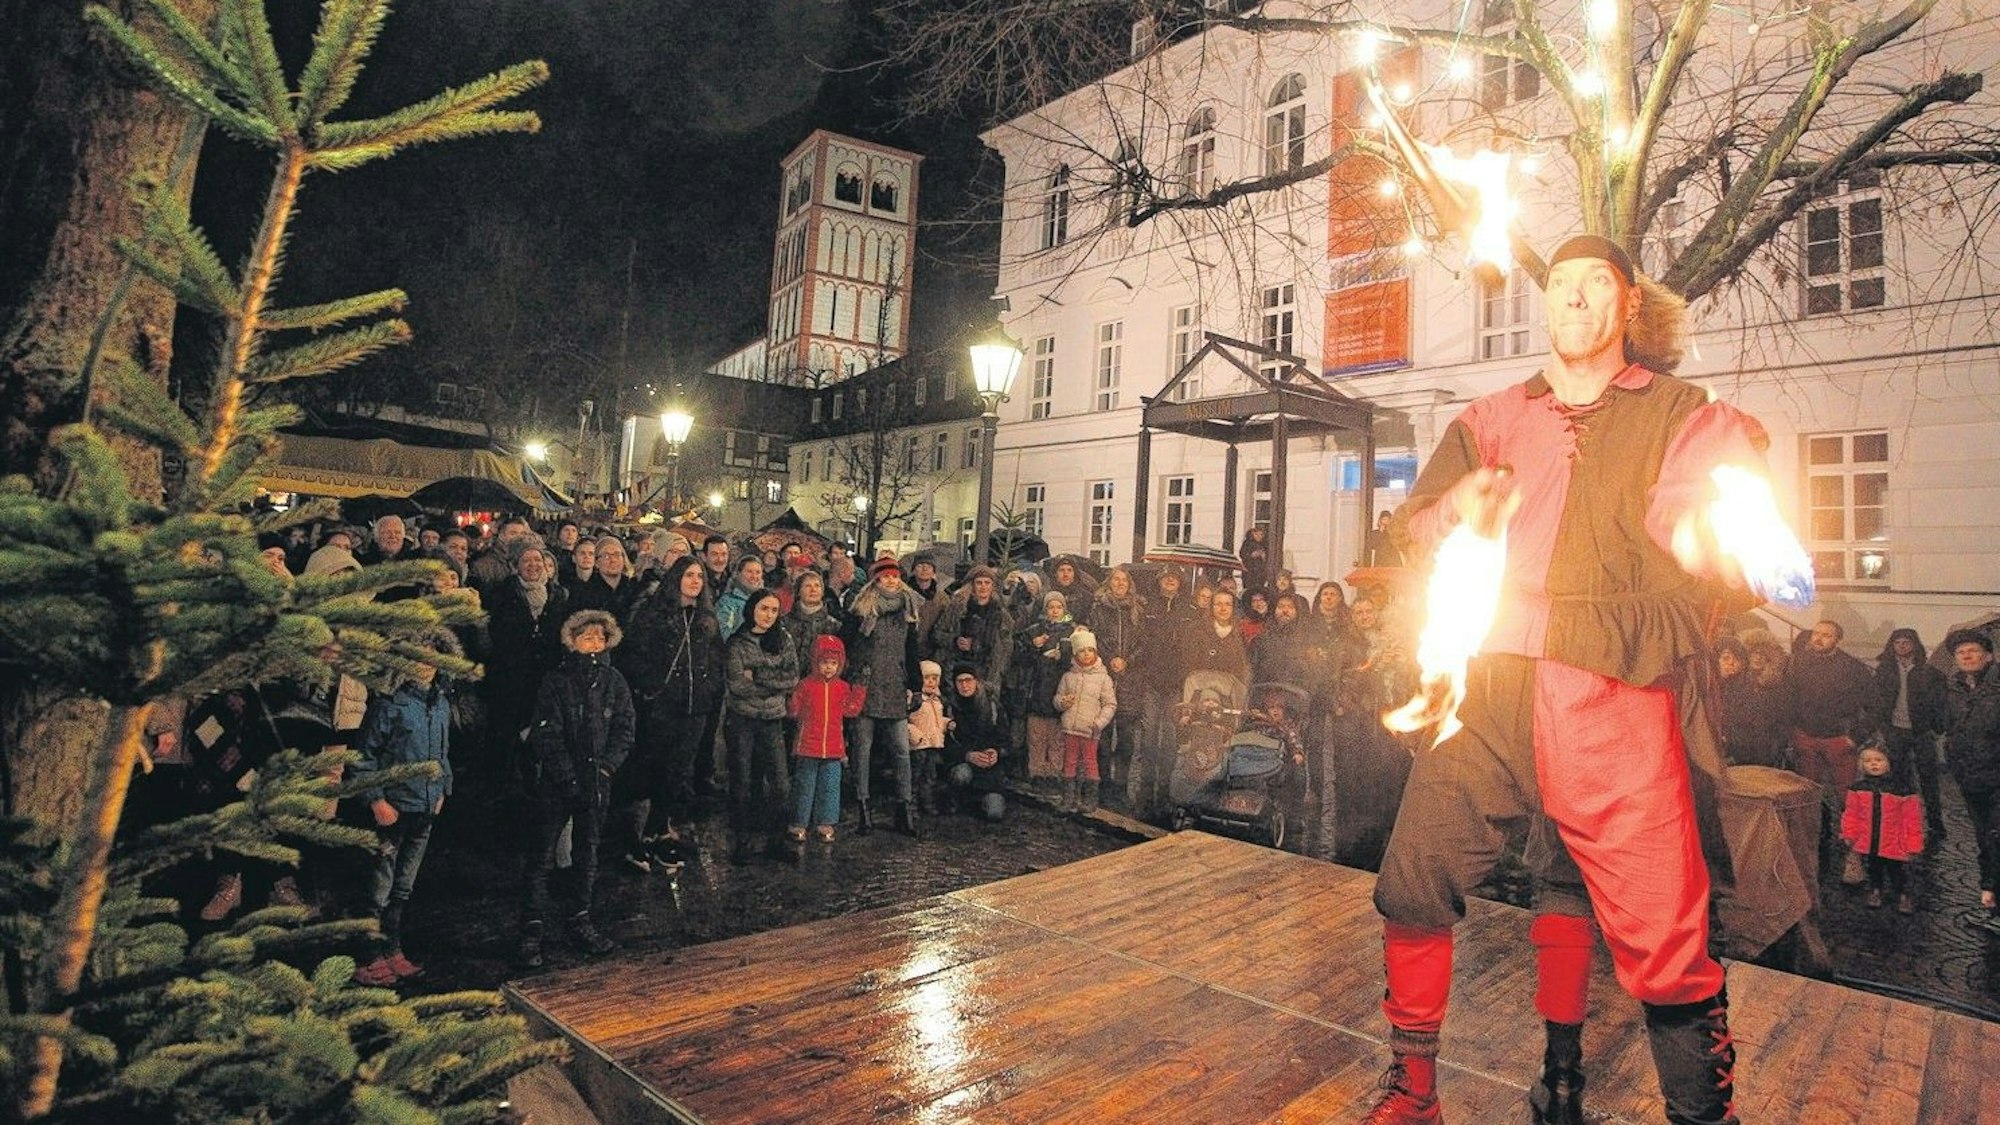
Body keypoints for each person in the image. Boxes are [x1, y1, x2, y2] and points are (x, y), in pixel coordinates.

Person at [1362, 236, 1761, 1125]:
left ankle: (1704, 1115)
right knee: (1415, 874)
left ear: (1629, 305)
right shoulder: (1496, 415)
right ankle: (1413, 1091)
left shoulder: (1679, 412)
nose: (1575, 299)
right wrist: (1456, 511)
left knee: (1666, 932)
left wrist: (1702, 528)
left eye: (1597, 285)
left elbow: (1704, 502)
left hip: (1612, 689)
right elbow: (1419, 523)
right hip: (1491, 683)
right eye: (1563, 285)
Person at [517, 610, 634, 967]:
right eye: (587, 638)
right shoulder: (556, 681)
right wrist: (566, 776)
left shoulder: (614, 681)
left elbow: (625, 728)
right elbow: (546, 732)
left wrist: (608, 768)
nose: (593, 644)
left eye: (599, 638)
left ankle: (580, 919)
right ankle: (531, 931)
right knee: (542, 855)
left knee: (588, 853)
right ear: (572, 641)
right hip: (557, 784)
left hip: (597, 782)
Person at [350, 645, 453, 986]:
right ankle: (367, 956)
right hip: (393, 809)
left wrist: (443, 790)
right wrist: (376, 800)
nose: (424, 665)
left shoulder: (440, 704)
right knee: (378, 886)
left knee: (403, 887)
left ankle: (392, 948)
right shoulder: (389, 705)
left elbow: (443, 753)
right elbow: (364, 757)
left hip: (423, 809)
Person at [615, 556, 725, 873]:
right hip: (662, 706)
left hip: (695, 708)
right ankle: (638, 835)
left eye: (699, 576)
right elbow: (635, 654)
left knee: (677, 771)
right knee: (652, 767)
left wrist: (708, 689)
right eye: (689, 575)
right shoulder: (655, 613)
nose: (695, 581)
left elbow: (716, 659)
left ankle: (659, 830)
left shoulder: (706, 618)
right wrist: (652, 688)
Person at [842, 557, 923, 835]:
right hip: (865, 685)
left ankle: (904, 808)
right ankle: (863, 808)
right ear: (876, 579)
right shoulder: (862, 609)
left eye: (894, 576)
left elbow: (912, 651)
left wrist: (917, 684)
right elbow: (846, 643)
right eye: (885, 576)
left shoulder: (907, 609)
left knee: (901, 749)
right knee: (862, 750)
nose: (891, 580)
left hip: (894, 686)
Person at [723, 589, 799, 863]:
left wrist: (758, 675)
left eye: (773, 610)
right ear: (753, 609)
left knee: (780, 784)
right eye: (763, 608)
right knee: (742, 781)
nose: (768, 615)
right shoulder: (737, 643)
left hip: (772, 719)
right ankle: (742, 841)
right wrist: (771, 682)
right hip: (743, 719)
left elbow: (791, 676)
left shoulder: (783, 639)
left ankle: (777, 839)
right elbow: (738, 685)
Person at [482, 547, 569, 777]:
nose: (533, 565)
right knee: (509, 737)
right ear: (515, 566)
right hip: (511, 678)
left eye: (537, 559)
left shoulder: (559, 595)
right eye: (526, 560)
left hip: (546, 678)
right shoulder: (501, 594)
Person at [1868, 627, 1948, 842]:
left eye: (1906, 642)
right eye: (1898, 642)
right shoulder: (1884, 672)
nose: (1902, 646)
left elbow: (1939, 702)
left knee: (1928, 778)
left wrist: (1938, 727)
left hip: (1921, 731)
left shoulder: (1929, 673)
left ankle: (1935, 821)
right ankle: (1902, 819)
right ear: (1892, 645)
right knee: (1899, 776)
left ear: (1915, 645)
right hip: (1895, 730)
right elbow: (1877, 701)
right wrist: (1881, 727)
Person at [1132, 565, 1198, 819]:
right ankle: (1145, 794)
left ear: (1180, 583)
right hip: (1152, 681)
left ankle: (1165, 794)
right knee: (1148, 739)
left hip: (1175, 685)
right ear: (1159, 582)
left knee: (1170, 740)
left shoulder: (1188, 611)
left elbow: (1191, 649)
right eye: (1165, 578)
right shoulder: (1149, 608)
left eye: (1174, 579)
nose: (1169, 582)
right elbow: (1141, 641)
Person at [1945, 628, 2000, 917]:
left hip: (1996, 778)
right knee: (1984, 838)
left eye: (1973, 651)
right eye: (1960, 652)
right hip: (1970, 778)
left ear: (1988, 656)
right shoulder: (1954, 688)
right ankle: (1990, 897)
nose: (1966, 655)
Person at [789, 635, 866, 842]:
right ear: (816, 662)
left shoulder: (842, 687)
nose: (829, 668)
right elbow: (794, 711)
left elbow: (850, 711)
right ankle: (798, 822)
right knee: (804, 786)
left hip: (833, 746)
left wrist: (859, 691)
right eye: (824, 663)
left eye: (834, 663)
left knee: (831, 786)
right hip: (808, 746)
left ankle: (826, 823)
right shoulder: (805, 685)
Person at [1789, 619, 1874, 801]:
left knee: (1847, 794)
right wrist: (1794, 732)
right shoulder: (1797, 663)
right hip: (1806, 737)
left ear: (1838, 640)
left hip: (1839, 739)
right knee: (1807, 791)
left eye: (1826, 635)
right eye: (1816, 634)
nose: (1819, 639)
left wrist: (1856, 737)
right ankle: (1814, 828)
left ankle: (1850, 828)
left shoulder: (1853, 668)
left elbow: (1874, 705)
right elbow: (1788, 699)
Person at [1840, 742, 1922, 914]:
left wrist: (1913, 842)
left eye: (1878, 760)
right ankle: (1876, 890)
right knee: (1874, 867)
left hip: (1894, 841)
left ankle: (1902, 894)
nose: (1874, 764)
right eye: (1868, 761)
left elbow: (1911, 818)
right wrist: (1850, 833)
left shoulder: (1902, 790)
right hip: (1870, 840)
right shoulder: (1857, 789)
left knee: (1896, 870)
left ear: (1889, 763)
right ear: (1861, 765)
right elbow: (1851, 814)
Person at [1087, 566, 1144, 804]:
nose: (1120, 584)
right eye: (1116, 579)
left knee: (1127, 739)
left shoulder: (1138, 610)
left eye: (1124, 580)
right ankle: (1103, 785)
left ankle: (1120, 786)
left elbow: (1144, 643)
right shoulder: (1098, 609)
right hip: (1105, 679)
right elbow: (1093, 639)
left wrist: (1128, 661)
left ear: (1129, 585)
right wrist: (1110, 659)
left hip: (1130, 681)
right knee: (1102, 735)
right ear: (1109, 583)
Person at [1016, 590, 1078, 784]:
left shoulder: (1071, 631)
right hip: (1036, 688)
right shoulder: (1034, 629)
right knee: (1036, 736)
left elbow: (1076, 660)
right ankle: (1036, 772)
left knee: (1057, 738)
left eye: (1058, 607)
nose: (1054, 611)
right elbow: (1021, 658)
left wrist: (1062, 656)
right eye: (1051, 607)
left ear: (1064, 609)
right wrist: (1034, 646)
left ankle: (1053, 773)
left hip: (1059, 689)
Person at [1055, 627, 1116, 812]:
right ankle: (1068, 798)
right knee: (1070, 761)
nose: (1086, 654)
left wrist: (1098, 723)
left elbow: (1110, 704)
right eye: (1082, 651)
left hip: (1090, 730)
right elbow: (1057, 698)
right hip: (1070, 728)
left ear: (1095, 652)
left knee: (1090, 762)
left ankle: (1090, 799)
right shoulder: (1068, 676)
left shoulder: (1103, 679)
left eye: (1090, 650)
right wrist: (1062, 703)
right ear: (1075, 654)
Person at [926, 564, 1013, 688]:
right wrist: (955, 641)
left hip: (987, 673)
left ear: (992, 586)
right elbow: (937, 634)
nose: (983, 586)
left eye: (987, 583)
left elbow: (1007, 645)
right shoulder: (956, 608)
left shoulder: (1001, 614)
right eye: (979, 583)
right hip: (957, 670)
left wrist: (999, 669)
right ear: (972, 585)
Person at [944, 663, 1009, 821]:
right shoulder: (950, 708)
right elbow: (944, 746)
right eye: (960, 681)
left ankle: (980, 802)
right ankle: (958, 798)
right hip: (963, 764)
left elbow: (1007, 741)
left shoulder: (993, 707)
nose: (965, 686)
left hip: (989, 771)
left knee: (995, 814)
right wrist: (967, 755)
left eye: (968, 680)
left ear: (977, 681)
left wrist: (996, 753)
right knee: (961, 775)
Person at [908, 660, 949, 814]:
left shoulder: (938, 701)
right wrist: (914, 735)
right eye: (927, 678)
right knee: (915, 775)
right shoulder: (916, 700)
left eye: (935, 678)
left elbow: (937, 720)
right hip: (918, 745)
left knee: (930, 775)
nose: (931, 682)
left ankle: (928, 803)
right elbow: (906, 721)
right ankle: (911, 806)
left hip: (933, 744)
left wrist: (948, 724)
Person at [714, 555, 764, 638]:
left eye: (758, 572)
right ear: (738, 574)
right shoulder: (727, 603)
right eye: (749, 572)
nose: (754, 576)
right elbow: (723, 636)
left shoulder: (766, 602)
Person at [1238, 526, 1271, 593]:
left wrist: (1264, 557)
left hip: (1260, 573)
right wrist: (1251, 555)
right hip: (1249, 572)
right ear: (1252, 534)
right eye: (1256, 534)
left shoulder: (1265, 544)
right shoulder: (1247, 543)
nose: (1259, 536)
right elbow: (1242, 554)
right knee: (1248, 590)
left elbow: (1269, 559)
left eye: (1261, 534)